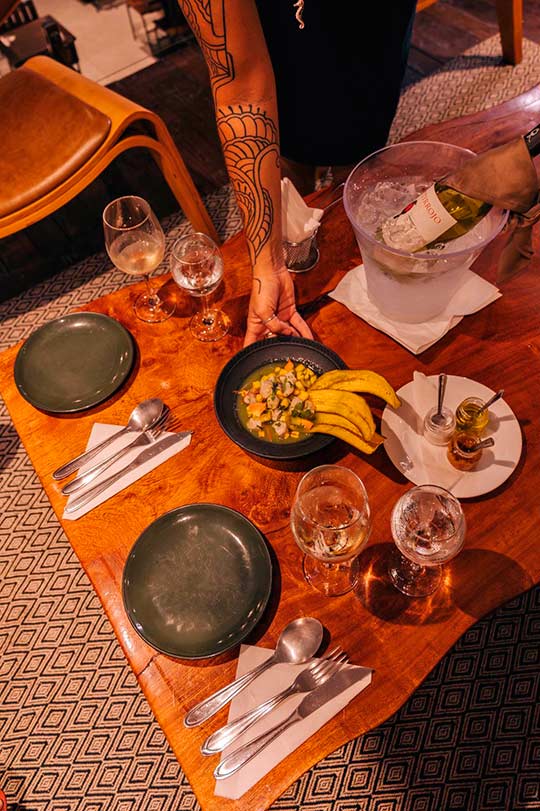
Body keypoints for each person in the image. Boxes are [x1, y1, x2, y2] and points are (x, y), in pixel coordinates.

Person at [175, 0, 417, 345]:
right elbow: (243, 93)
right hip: (282, 65)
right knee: (289, 180)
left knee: (361, 181)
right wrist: (268, 266)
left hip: (375, 50)